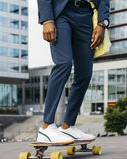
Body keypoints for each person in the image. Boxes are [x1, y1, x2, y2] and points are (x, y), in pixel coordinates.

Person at [37, 0, 110, 144]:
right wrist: (47, 19)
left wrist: (102, 23)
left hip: (86, 14)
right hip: (61, 13)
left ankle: (68, 126)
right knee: (64, 63)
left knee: (85, 72)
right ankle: (47, 126)